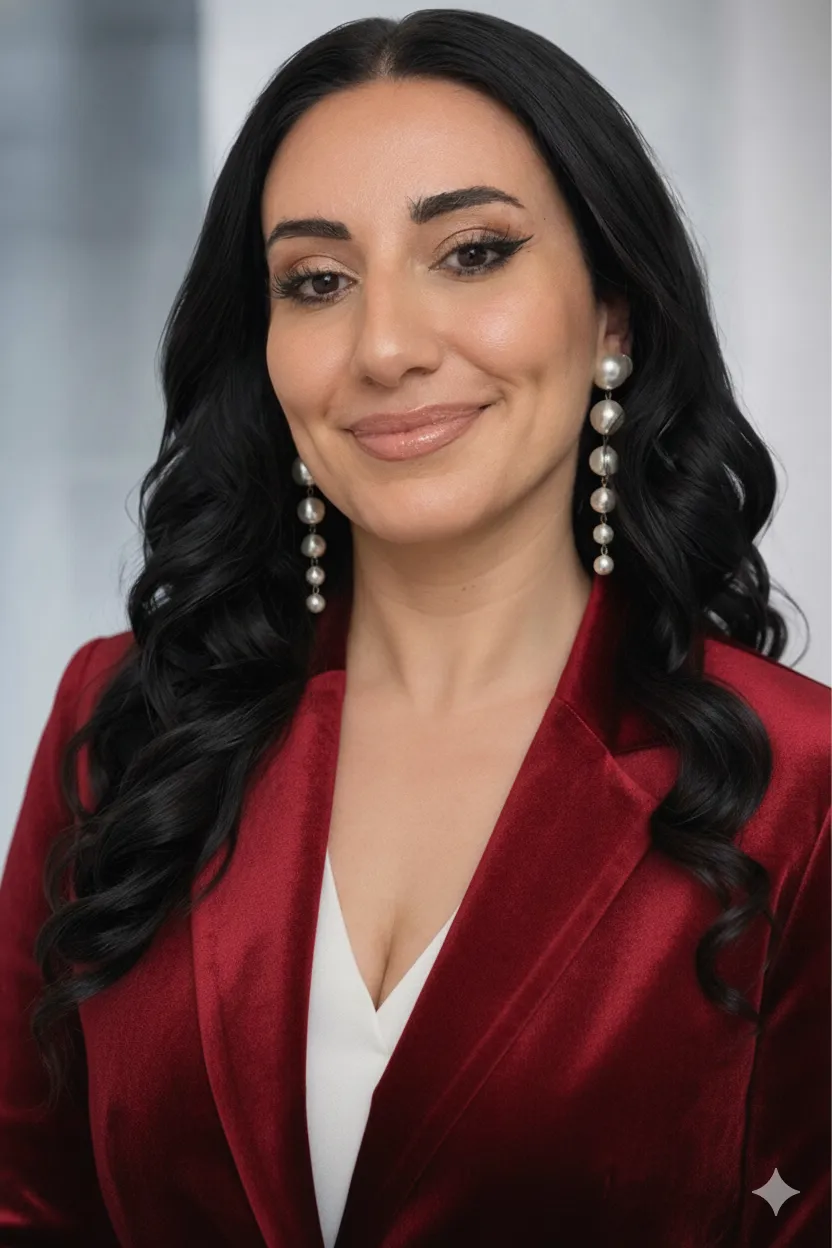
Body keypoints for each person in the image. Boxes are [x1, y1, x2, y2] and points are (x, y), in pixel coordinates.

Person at [0, 10, 828, 1247]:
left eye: (472, 253)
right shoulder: (123, 723)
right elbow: (26, 1198)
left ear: (612, 315)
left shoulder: (802, 783)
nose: (383, 348)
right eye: (317, 282)